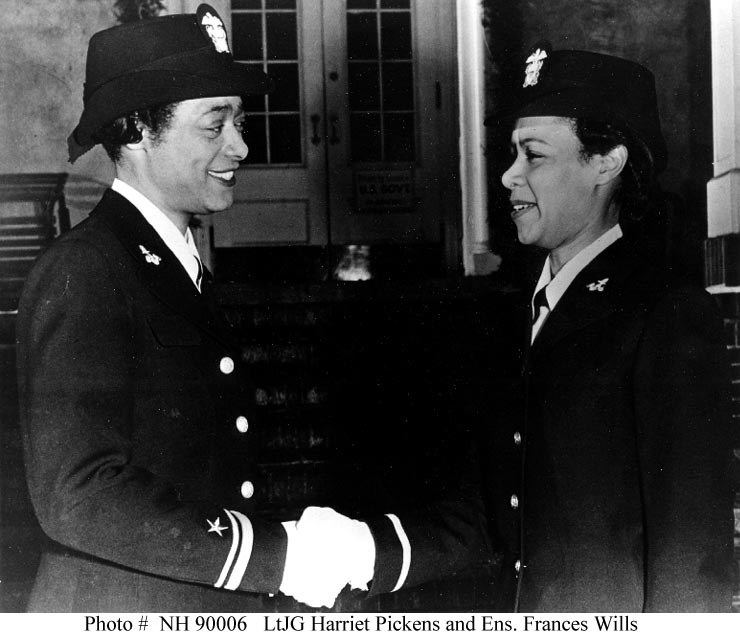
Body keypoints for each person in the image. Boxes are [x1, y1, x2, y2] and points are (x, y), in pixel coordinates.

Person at [322, 46, 736, 612]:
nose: (508, 175)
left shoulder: (664, 316)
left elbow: (692, 552)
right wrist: (358, 552)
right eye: (512, 153)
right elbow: (483, 520)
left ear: (606, 162)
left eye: (533, 155)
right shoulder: (512, 319)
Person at [16, 5, 382, 612]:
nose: (241, 145)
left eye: (239, 121)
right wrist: (273, 557)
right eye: (215, 126)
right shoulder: (87, 270)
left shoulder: (170, 264)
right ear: (135, 131)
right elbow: (79, 495)